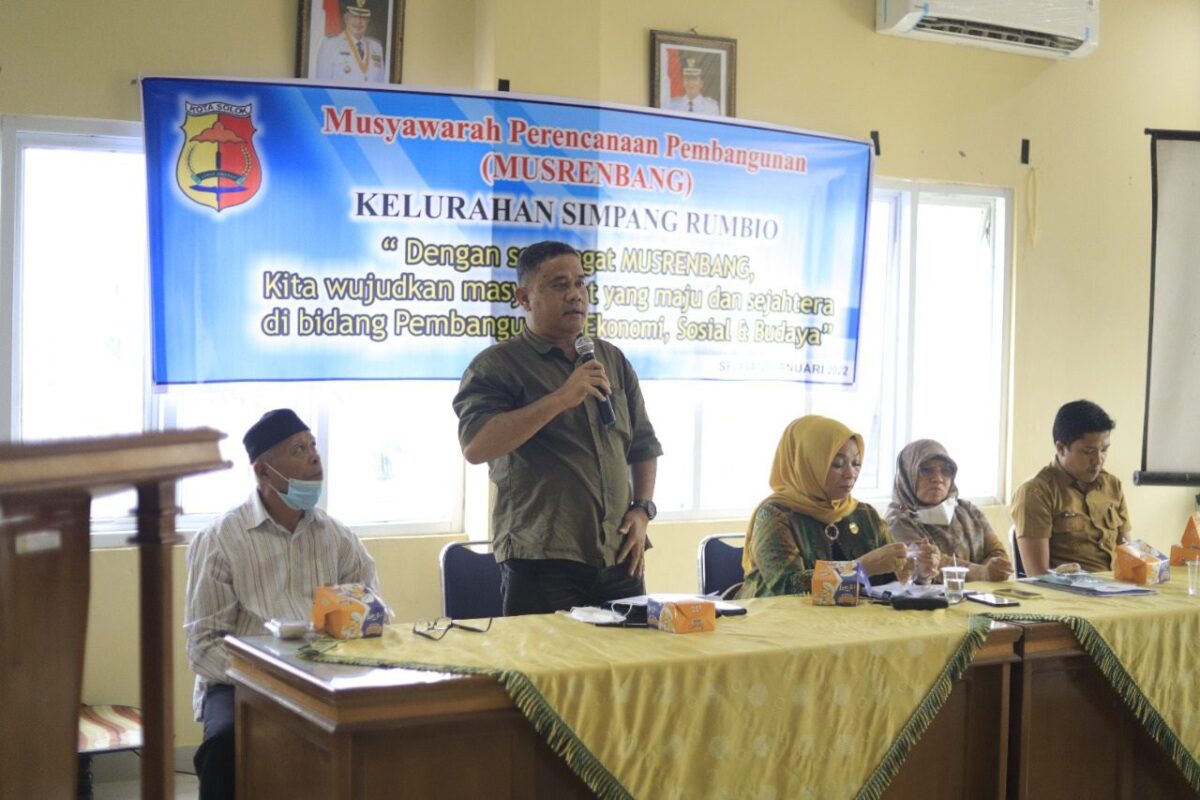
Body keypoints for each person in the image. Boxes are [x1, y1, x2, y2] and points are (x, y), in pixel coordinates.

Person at [453, 240, 663, 616]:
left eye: (580, 283)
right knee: (548, 657)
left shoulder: (611, 359)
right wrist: (562, 398)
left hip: (620, 556)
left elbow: (643, 445)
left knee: (629, 655)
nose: (575, 295)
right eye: (559, 285)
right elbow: (476, 446)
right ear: (524, 298)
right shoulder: (497, 366)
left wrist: (642, 510)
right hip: (541, 561)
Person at [184, 409, 378, 799]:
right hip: (238, 684)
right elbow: (203, 646)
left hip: (324, 678)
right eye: (298, 449)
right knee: (223, 745)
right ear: (263, 472)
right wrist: (275, 682)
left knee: (375, 731)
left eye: (313, 446)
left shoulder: (338, 539)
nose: (315, 457)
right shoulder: (220, 540)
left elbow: (370, 619)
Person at [737, 415, 938, 598]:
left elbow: (890, 580)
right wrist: (860, 568)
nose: (851, 474)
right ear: (807, 464)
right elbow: (788, 586)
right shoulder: (774, 514)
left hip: (852, 621)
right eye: (838, 464)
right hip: (777, 620)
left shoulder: (864, 514)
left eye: (856, 463)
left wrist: (919, 573)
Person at [1011, 399, 1131, 575]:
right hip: (1069, 590)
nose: (1098, 460)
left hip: (1117, 586)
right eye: (1088, 451)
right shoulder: (1036, 492)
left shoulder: (1112, 485)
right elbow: (1037, 576)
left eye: (1104, 450)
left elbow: (1128, 553)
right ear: (1061, 448)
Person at [887, 439, 1013, 582]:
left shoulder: (967, 510)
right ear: (907, 474)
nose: (938, 478)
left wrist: (994, 569)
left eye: (946, 471)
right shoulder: (897, 519)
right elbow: (927, 563)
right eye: (926, 470)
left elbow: (997, 553)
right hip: (931, 596)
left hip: (979, 593)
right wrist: (981, 573)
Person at [314, 0, 386, 83]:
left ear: (368, 21)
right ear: (346, 18)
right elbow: (323, 84)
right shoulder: (330, 45)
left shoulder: (376, 47)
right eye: (354, 16)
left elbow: (381, 84)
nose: (358, 22)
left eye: (363, 17)